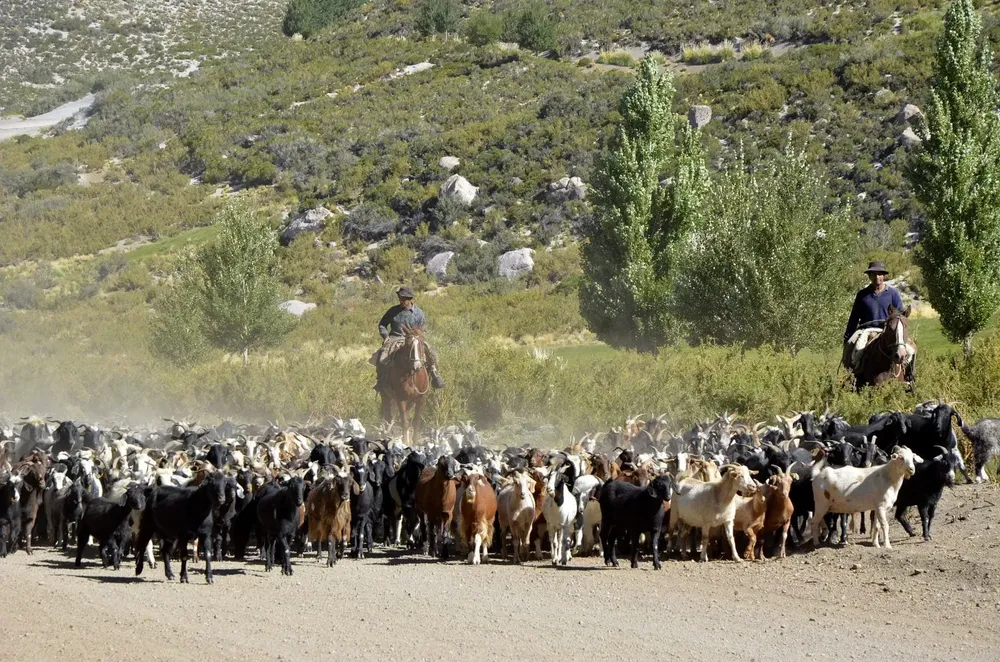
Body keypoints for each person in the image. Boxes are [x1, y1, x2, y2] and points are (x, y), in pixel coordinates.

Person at [842, 261, 913, 381]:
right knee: (854, 347)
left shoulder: (893, 294)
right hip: (867, 330)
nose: (877, 277)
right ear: (869, 276)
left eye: (880, 274)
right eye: (874, 274)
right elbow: (854, 318)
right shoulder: (862, 295)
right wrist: (848, 335)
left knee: (911, 350)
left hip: (888, 330)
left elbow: (900, 315)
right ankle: (851, 376)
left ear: (884, 276)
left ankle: (909, 377)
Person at [373, 286, 445, 391]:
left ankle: (434, 375)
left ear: (410, 299)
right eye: (400, 298)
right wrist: (385, 336)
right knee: (382, 355)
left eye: (403, 299)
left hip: (414, 338)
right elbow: (382, 324)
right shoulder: (393, 311)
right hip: (396, 337)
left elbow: (422, 328)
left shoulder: (419, 313)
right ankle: (381, 380)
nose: (401, 300)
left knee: (431, 352)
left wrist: (420, 336)